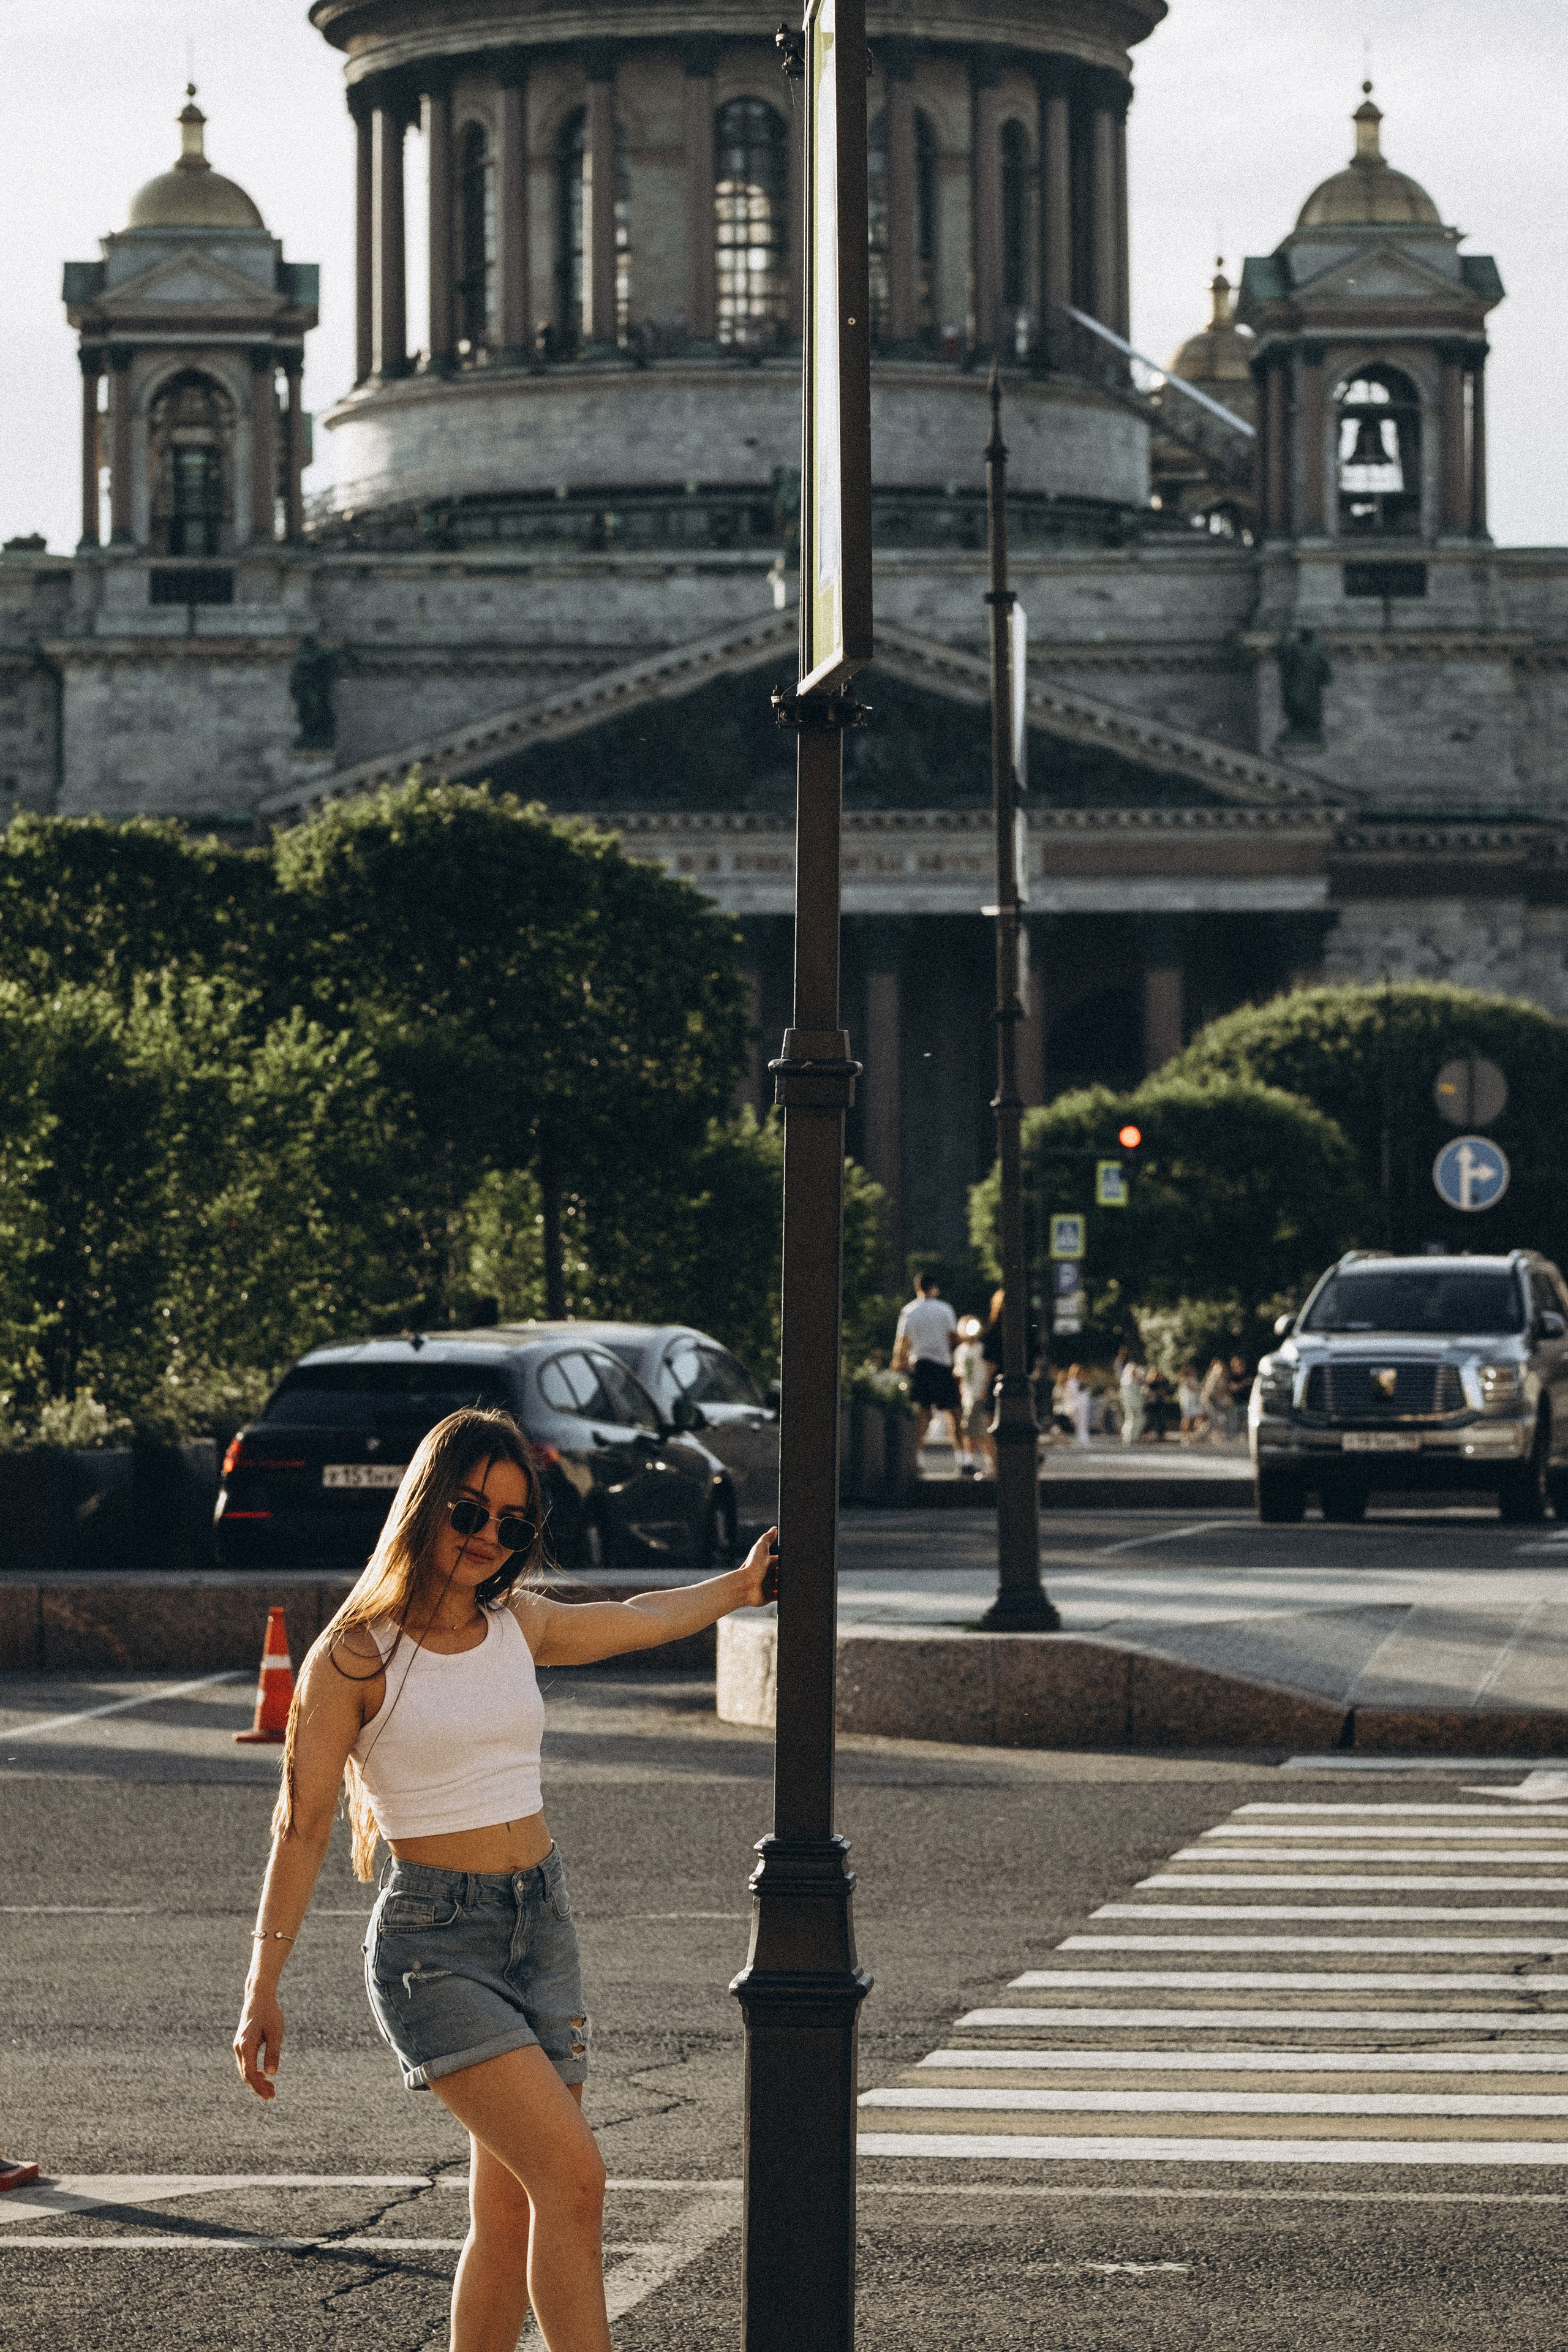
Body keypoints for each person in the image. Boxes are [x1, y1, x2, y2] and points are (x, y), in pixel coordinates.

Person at [232, 1408, 776, 2352]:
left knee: (518, 2210)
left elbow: (633, 1618)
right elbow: (302, 1825)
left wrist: (738, 1587)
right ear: (426, 1503)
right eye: (470, 1512)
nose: (488, 1538)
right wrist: (261, 1988)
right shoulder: (353, 1655)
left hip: (540, 1927)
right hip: (435, 1950)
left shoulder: (513, 1625)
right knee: (574, 2180)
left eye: (512, 1526)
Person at [892, 1272, 961, 1451]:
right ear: (934, 1288)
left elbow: (903, 1343)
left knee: (922, 1413)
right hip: (942, 1365)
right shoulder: (945, 1309)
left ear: (917, 1288)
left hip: (921, 1365)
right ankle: (963, 1458)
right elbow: (954, 1336)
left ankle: (919, 1456)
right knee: (953, 1412)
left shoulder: (909, 1311)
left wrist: (898, 1363)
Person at [953, 1314, 995, 1479]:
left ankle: (985, 1462)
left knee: (978, 1431)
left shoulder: (982, 1349)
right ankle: (973, 1461)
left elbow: (989, 1368)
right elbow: (960, 1374)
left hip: (979, 1394)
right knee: (972, 1429)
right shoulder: (960, 1351)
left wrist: (986, 1389)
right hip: (968, 1395)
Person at [1115, 1346, 1146, 1448]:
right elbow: (1127, 1395)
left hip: (1135, 1404)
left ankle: (1132, 1438)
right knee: (1132, 1421)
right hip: (1132, 1405)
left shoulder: (1131, 1381)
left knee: (1137, 1420)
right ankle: (1129, 1439)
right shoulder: (1128, 1381)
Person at [1200, 1356, 1235, 1442]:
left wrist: (1227, 1398)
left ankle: (1207, 1435)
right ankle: (1204, 1435)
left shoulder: (1223, 1379)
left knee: (1220, 1419)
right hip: (1210, 1401)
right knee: (1214, 1419)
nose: (1220, 1370)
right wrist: (1223, 1398)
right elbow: (1211, 1393)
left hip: (1218, 1401)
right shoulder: (1213, 1379)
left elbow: (1225, 1391)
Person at [1177, 1359, 1208, 1444]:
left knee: (1201, 1417)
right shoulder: (1184, 1379)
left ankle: (1197, 1434)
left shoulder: (1194, 1378)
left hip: (1195, 1402)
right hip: (1188, 1402)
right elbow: (1193, 1389)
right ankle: (1185, 1437)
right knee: (1187, 1420)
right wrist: (1200, 1389)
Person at [1063, 1363, 1093, 1447]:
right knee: (1076, 1423)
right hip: (1074, 1405)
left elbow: (1086, 1393)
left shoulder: (1082, 1382)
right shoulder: (1071, 1383)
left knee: (1083, 1422)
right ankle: (1078, 1439)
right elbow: (1071, 1395)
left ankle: (1083, 1439)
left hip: (1083, 1405)